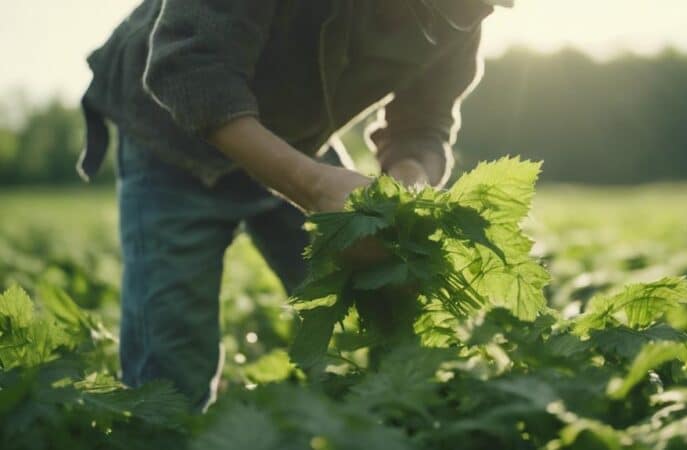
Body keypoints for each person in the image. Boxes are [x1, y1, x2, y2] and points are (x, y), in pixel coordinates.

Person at [78, 0, 513, 410]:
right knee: (168, 380)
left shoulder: (465, 12)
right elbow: (189, 68)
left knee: (379, 309)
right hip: (169, 135)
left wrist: (404, 194)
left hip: (295, 136)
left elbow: (424, 126)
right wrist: (316, 188)